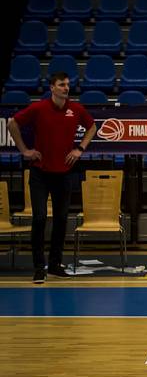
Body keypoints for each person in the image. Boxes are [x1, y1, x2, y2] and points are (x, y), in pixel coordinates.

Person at [8, 71, 97, 284]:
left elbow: (92, 127)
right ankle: (39, 267)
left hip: (64, 173)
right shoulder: (39, 108)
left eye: (67, 84)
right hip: (40, 172)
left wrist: (80, 149)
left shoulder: (75, 109)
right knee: (39, 218)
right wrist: (24, 150)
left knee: (61, 219)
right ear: (52, 88)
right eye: (61, 85)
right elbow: (12, 123)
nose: (66, 88)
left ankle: (55, 264)